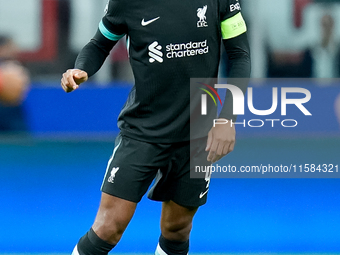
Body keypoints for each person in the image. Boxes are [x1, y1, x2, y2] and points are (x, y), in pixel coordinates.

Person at [61, 0, 251, 254]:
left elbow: (240, 55)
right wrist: (81, 69)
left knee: (177, 228)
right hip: (143, 131)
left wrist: (228, 118)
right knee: (108, 227)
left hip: (196, 136)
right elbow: (100, 43)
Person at [0, 35, 30, 131]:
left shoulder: (15, 67)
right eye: (11, 46)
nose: (15, 49)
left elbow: (18, 92)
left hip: (13, 111)